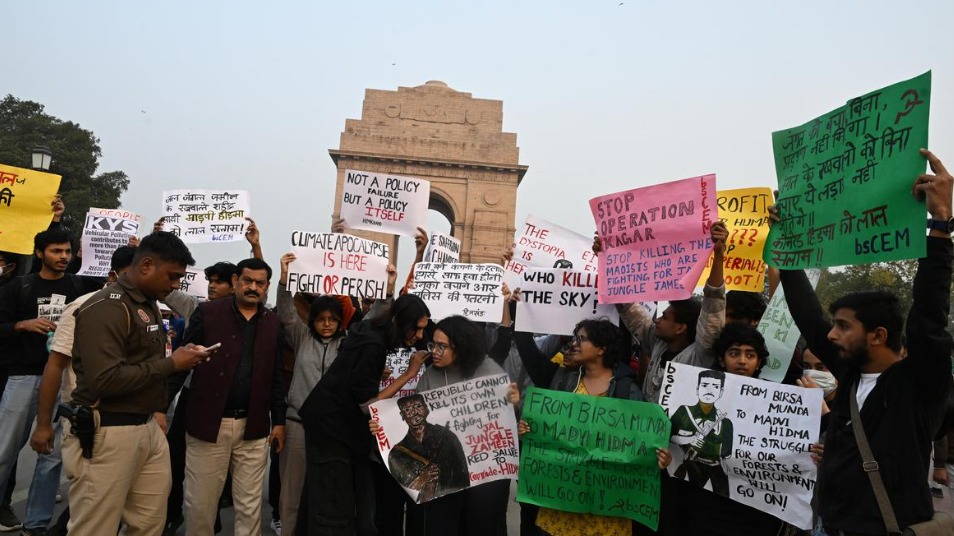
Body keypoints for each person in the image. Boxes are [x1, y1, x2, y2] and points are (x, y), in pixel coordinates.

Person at [775, 148, 954, 535]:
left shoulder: (918, 385)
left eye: (843, 326)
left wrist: (940, 224)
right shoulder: (849, 372)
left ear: (878, 335)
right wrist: (786, 246)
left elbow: (928, 319)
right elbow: (808, 315)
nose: (831, 334)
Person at [64, 231, 211, 536]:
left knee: (148, 525)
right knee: (95, 527)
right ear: (146, 265)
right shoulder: (107, 307)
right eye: (172, 276)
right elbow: (105, 380)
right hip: (108, 429)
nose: (175, 285)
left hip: (147, 427)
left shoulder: (148, 304)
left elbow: (144, 363)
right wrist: (173, 364)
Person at [516, 318, 671, 536]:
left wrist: (660, 458)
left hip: (606, 513)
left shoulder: (627, 391)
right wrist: (528, 431)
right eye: (575, 338)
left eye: (582, 339)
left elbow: (644, 445)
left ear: (601, 348)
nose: (574, 344)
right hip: (561, 508)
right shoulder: (563, 381)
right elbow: (546, 430)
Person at [297, 293, 431, 536]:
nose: (420, 336)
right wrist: (408, 374)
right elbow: (368, 406)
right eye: (417, 328)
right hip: (333, 433)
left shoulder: (371, 334)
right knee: (332, 506)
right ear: (401, 321)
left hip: (335, 429)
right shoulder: (372, 345)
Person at [0, 228, 104, 536]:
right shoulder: (18, 287)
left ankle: (37, 523)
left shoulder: (80, 286)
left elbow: (115, 276)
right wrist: (22, 325)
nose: (63, 257)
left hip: (64, 379)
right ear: (39, 253)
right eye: (56, 251)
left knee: (52, 456)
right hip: (24, 376)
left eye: (67, 251)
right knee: (4, 450)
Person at [181, 257, 286, 536]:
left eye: (260, 283)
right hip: (208, 426)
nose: (253, 287)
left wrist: (279, 421)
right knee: (200, 505)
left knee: (249, 508)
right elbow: (181, 362)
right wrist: (159, 408)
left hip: (253, 428)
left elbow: (276, 376)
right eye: (248, 281)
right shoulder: (208, 313)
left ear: (267, 286)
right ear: (236, 281)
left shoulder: (273, 323)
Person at [401, 314, 519, 536]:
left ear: (462, 347)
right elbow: (415, 422)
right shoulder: (430, 376)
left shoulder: (489, 369)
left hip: (484, 475)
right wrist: (384, 426)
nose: (434, 352)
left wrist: (513, 402)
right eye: (433, 344)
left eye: (442, 346)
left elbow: (505, 418)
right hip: (446, 477)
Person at [670, 323, 788, 535]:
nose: (742, 361)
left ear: (759, 362)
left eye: (750, 355)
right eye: (734, 353)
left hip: (751, 509)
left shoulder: (776, 402)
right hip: (700, 500)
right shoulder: (686, 402)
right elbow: (672, 440)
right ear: (722, 359)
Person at [276, 252, 353, 536]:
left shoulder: (349, 344)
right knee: (292, 492)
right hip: (298, 424)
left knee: (327, 492)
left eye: (333, 319)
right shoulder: (301, 336)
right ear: (312, 321)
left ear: (340, 321)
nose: (327, 324)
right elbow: (286, 311)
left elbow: (376, 318)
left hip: (333, 429)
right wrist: (284, 278)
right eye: (321, 319)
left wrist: (389, 290)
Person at [612, 222, 729, 402]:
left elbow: (713, 304)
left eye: (665, 317)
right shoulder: (657, 344)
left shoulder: (700, 355)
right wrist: (608, 258)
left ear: (680, 327)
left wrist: (718, 255)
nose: (657, 320)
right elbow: (630, 311)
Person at [388, 393, 470, 502]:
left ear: (426, 408)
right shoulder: (396, 453)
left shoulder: (447, 437)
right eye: (407, 410)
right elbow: (398, 492)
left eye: (418, 406)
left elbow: (463, 475)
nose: (414, 412)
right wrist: (420, 480)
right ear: (402, 415)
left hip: (452, 501)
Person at [669, 369, 733, 497]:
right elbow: (668, 436)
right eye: (705, 385)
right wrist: (690, 439)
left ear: (721, 392)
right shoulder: (683, 412)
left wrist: (705, 446)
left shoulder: (725, 422)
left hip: (717, 468)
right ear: (697, 389)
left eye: (715, 387)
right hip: (692, 464)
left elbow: (727, 452)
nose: (709, 390)